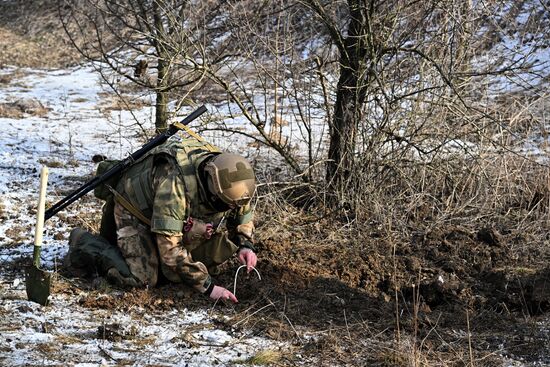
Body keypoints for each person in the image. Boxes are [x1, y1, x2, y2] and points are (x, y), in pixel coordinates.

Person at [64, 136, 258, 303]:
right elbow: (171, 250)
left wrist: (245, 244)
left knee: (191, 266)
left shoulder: (231, 177)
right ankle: (84, 242)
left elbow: (241, 212)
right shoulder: (174, 185)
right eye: (224, 204)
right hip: (134, 209)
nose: (228, 209)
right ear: (213, 190)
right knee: (143, 280)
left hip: (167, 211)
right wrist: (208, 287)